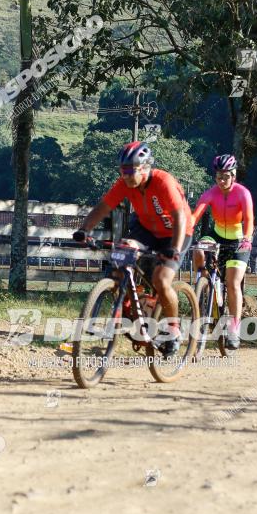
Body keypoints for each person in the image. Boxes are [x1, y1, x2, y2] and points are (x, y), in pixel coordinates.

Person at [73, 141, 194, 357]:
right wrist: (84, 230)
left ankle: (174, 329)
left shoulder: (163, 182)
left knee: (162, 279)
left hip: (177, 231)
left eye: (131, 170)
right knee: (120, 258)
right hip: (147, 229)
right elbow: (104, 207)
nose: (126, 176)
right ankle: (127, 305)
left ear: (145, 167)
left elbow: (179, 217)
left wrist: (174, 249)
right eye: (123, 171)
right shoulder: (124, 184)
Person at [191, 154, 254, 350]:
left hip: (238, 239)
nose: (222, 181)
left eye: (226, 176)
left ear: (233, 176)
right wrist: (186, 231)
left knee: (233, 283)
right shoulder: (210, 193)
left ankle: (234, 329)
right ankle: (203, 282)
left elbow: (249, 220)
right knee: (199, 247)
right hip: (217, 234)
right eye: (218, 177)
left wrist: (246, 238)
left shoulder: (243, 193)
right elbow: (195, 216)